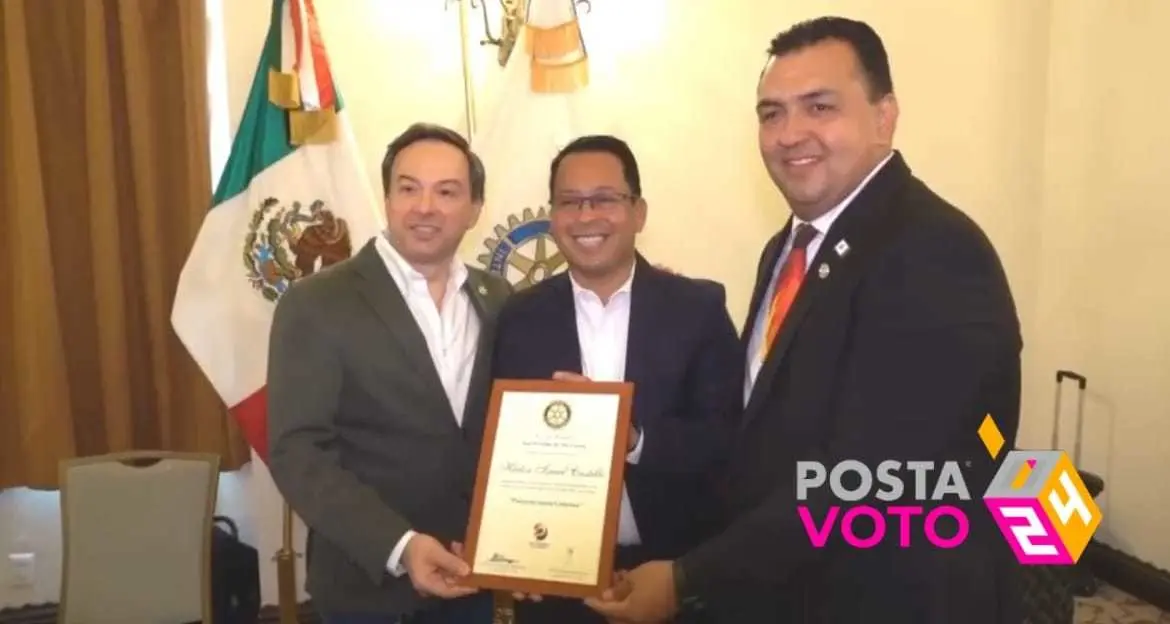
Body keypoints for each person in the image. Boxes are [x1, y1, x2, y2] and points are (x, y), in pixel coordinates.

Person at [585, 17, 1024, 624]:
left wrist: (687, 578)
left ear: (884, 114)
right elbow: (765, 436)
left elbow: (871, 477)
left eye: (819, 106)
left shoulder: (935, 252)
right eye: (771, 114)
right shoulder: (789, 248)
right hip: (790, 590)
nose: (790, 134)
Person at [266, 123, 511, 624]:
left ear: (475, 208)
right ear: (387, 198)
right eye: (409, 188)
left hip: (474, 583)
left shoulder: (500, 300)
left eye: (447, 192)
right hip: (369, 590)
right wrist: (400, 546)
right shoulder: (316, 304)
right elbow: (298, 451)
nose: (425, 206)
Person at [493, 135, 743, 623]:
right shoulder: (518, 318)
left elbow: (728, 439)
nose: (586, 216)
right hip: (555, 587)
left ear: (638, 212)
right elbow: (498, 447)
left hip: (673, 580)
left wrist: (631, 438)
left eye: (605, 199)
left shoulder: (699, 309)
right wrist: (509, 552)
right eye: (570, 202)